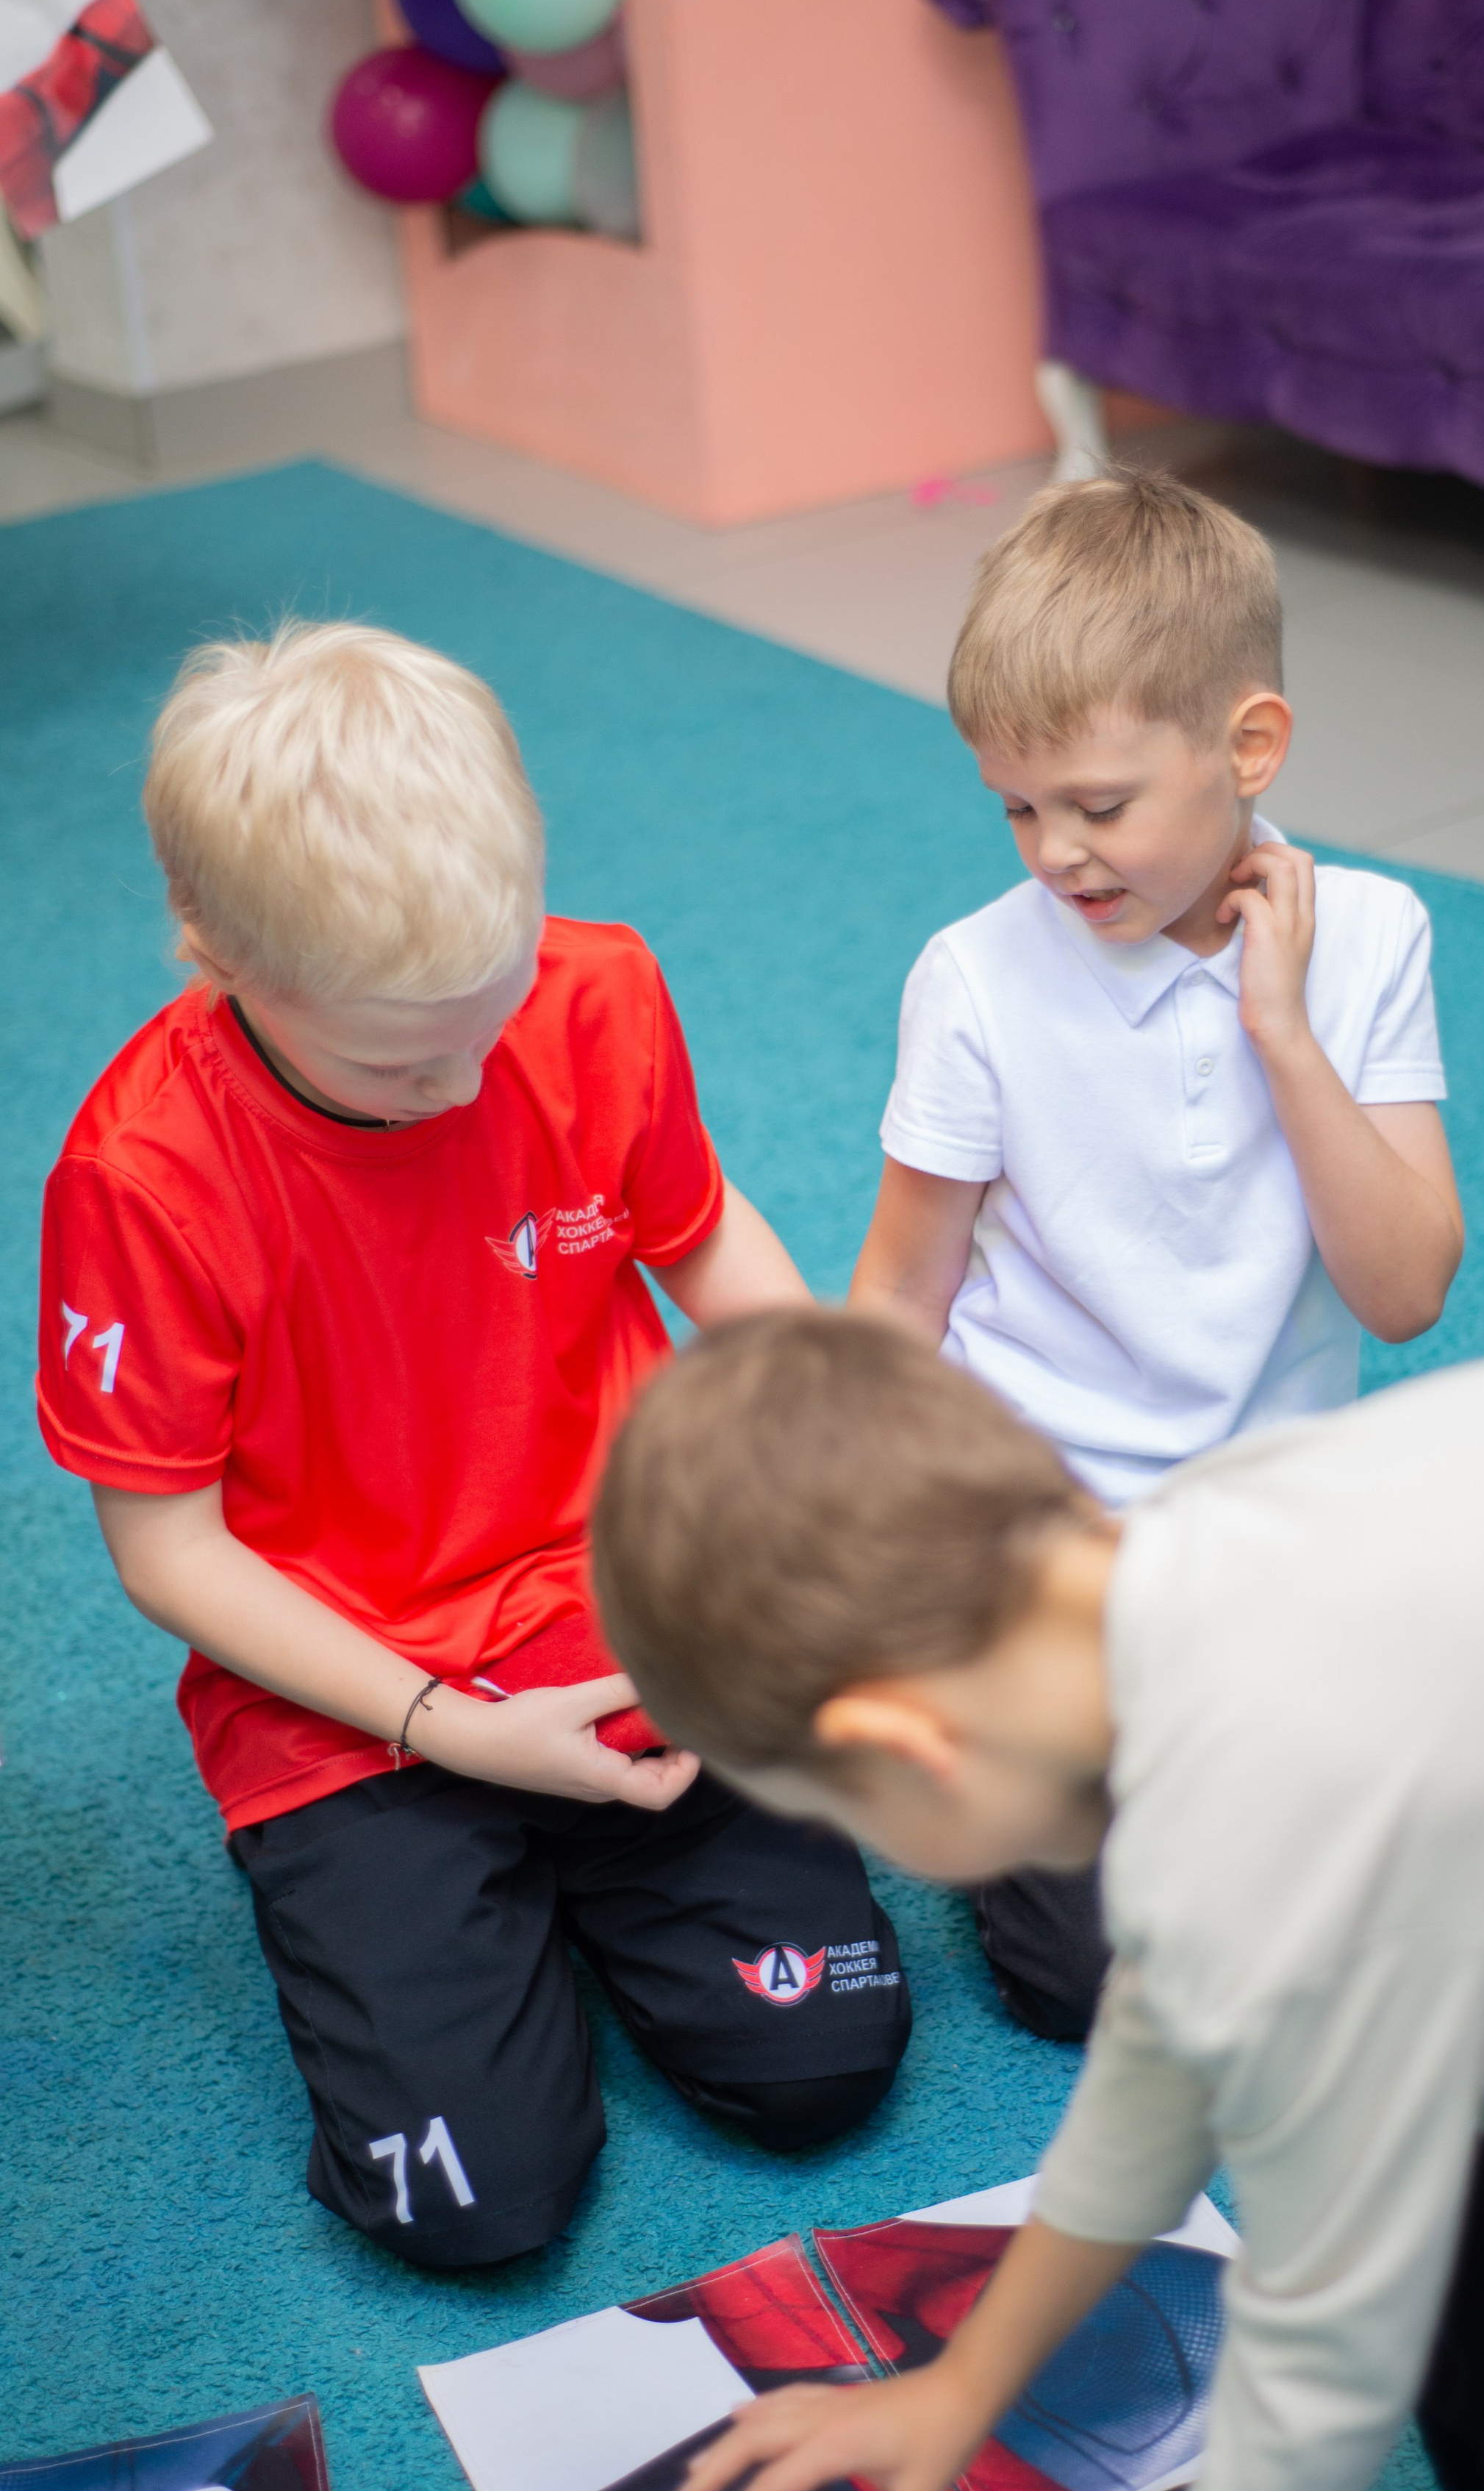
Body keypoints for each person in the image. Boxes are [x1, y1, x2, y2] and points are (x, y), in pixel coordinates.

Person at [591, 1309, 1484, 2491]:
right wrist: (967, 2382)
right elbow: (1174, 2024)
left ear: (906, 1750)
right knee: (1483, 2303)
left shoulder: (1281, 1821)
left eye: (846, 1818)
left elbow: (1326, 2348)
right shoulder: (1176, 1557)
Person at [35, 625, 911, 2269]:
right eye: (393, 1055)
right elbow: (166, 1549)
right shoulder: (145, 1173)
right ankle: (456, 1892)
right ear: (212, 950)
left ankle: (562, 1877)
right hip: (355, 1699)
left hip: (622, 1613)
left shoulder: (598, 989)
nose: (455, 1088)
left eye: (489, 1019)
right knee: (473, 2206)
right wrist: (450, 1728)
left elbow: (699, 1230)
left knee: (821, 2058)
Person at [850, 470, 1462, 2042]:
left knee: (1399, 1883)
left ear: (1249, 748)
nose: (1056, 854)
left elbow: (1403, 1292)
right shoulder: (975, 979)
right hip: (1041, 1536)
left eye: (1100, 806)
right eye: (1016, 808)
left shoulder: (1373, 937)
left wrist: (1283, 1032)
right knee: (1094, 1980)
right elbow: (904, 1288)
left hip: (1271, 1531)